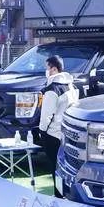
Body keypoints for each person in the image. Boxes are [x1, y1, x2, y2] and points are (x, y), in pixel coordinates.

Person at [39, 55, 79, 193]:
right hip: (68, 132)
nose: (46, 71)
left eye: (47, 68)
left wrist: (42, 131)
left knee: (54, 167)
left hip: (52, 133)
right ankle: (68, 194)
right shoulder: (71, 86)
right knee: (67, 167)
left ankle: (58, 195)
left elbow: (46, 114)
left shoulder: (52, 89)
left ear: (54, 69)